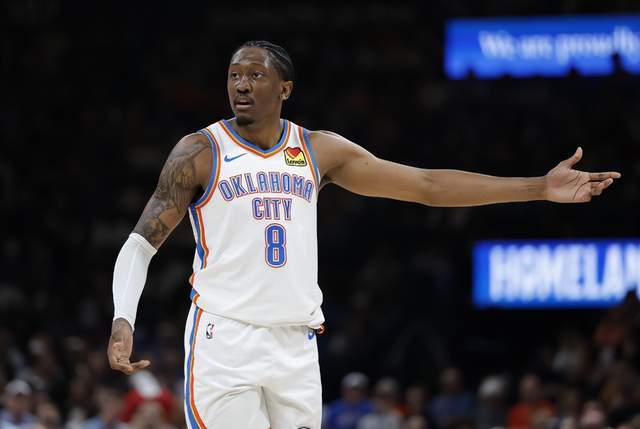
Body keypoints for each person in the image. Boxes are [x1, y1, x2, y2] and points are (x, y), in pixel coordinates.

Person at [106, 40, 621, 428]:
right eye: (234, 75)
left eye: (256, 75)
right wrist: (123, 318)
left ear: (285, 89)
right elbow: (141, 243)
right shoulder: (200, 151)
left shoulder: (318, 150)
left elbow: (425, 185)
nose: (241, 84)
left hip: (296, 342)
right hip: (225, 337)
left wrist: (538, 187)